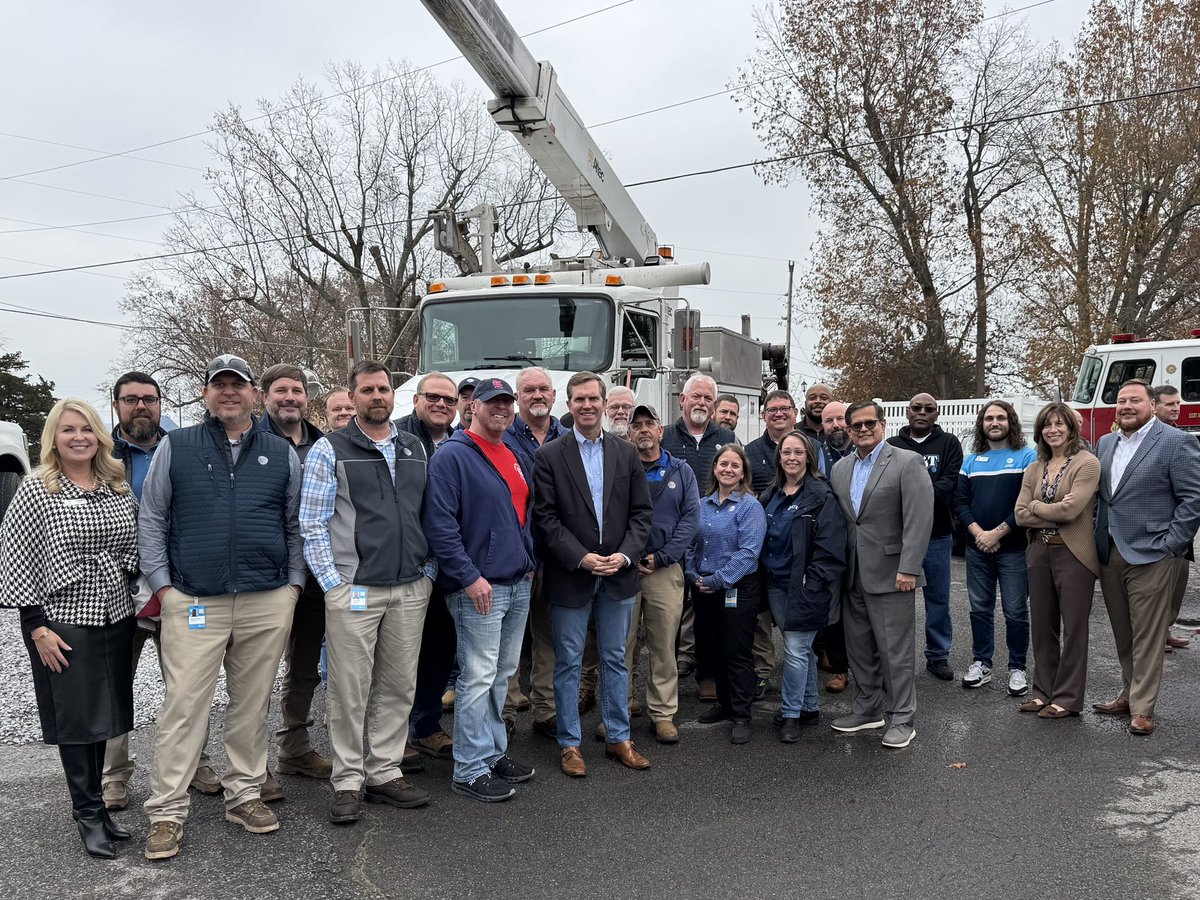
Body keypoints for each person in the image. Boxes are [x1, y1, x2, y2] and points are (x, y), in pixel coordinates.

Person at [140, 354, 305, 860]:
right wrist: (165, 588)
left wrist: (293, 586)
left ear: (254, 394)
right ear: (206, 394)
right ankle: (167, 811)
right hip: (194, 599)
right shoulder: (178, 444)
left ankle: (245, 794)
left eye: (238, 385)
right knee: (184, 705)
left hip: (265, 598)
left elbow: (295, 524)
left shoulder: (280, 451)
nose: (229, 392)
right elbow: (152, 517)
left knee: (251, 704)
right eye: (220, 385)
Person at [0, 399, 139, 858]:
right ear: (53, 438)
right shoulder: (37, 489)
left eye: (86, 429)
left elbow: (135, 541)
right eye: (67, 430)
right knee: (79, 721)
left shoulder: (115, 485)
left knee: (106, 716)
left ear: (99, 435)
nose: (78, 437)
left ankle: (100, 806)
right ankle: (86, 814)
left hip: (115, 615)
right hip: (63, 622)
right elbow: (15, 557)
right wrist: (34, 626)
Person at [300, 360, 435, 823]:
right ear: (353, 397)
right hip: (354, 589)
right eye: (367, 390)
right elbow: (312, 524)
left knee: (398, 685)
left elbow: (430, 516)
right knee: (349, 690)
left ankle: (384, 771)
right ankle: (347, 780)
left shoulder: (416, 447)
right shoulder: (329, 450)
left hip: (410, 585)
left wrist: (429, 571)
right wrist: (334, 585)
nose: (377, 396)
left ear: (393, 396)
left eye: (383, 389)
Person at [102, 372, 221, 811]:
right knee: (116, 684)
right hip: (117, 592)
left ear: (160, 404)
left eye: (149, 400)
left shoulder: (187, 446)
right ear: (116, 404)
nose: (141, 407)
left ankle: (196, 762)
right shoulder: (102, 455)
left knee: (190, 683)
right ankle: (113, 774)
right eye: (130, 400)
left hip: (180, 587)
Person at [532, 372, 654, 777]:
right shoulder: (549, 455)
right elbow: (545, 520)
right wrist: (582, 557)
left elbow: (641, 514)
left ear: (604, 403)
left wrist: (624, 556)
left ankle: (619, 738)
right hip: (573, 574)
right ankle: (570, 745)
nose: (586, 405)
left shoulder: (626, 453)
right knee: (568, 662)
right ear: (568, 405)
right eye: (578, 399)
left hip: (618, 574)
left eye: (593, 399)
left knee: (615, 658)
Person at [423, 378, 538, 802]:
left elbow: (522, 514)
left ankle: (492, 753)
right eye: (493, 402)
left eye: (507, 403)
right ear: (472, 408)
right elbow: (439, 524)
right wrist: (469, 577)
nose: (502, 409)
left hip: (516, 581)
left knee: (501, 675)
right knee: (477, 677)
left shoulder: (510, 453)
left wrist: (528, 561)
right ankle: (468, 769)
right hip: (479, 588)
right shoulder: (453, 456)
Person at [1092, 380, 1200, 736]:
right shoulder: (1106, 444)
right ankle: (1128, 692)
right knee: (1123, 632)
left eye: (1134, 400)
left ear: (1152, 405)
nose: (1126, 406)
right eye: (1121, 400)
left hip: (1153, 553)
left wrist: (1172, 545)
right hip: (1110, 553)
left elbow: (1193, 498)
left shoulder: (1176, 441)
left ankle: (1142, 707)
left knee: (1149, 635)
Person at [829, 402, 933, 750]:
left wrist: (909, 567)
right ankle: (868, 709)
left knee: (895, 652)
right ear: (847, 429)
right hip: (853, 574)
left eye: (869, 423)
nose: (862, 429)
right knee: (859, 650)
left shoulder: (906, 462)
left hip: (892, 574)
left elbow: (919, 519)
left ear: (883, 424)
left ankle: (903, 718)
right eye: (855, 425)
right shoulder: (841, 468)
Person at [256, 364, 334, 791]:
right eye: (281, 390)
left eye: (297, 391)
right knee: (257, 672)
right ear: (264, 396)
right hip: (267, 576)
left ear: (308, 398)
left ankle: (295, 749)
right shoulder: (250, 442)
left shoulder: (323, 444)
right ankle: (252, 764)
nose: (290, 398)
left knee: (304, 668)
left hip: (315, 575)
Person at [758, 432, 847, 742]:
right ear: (779, 457)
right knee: (802, 650)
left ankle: (791, 714)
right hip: (775, 585)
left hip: (805, 587)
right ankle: (809, 707)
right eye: (786, 452)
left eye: (798, 452)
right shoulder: (771, 494)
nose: (792, 457)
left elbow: (832, 548)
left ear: (809, 456)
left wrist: (814, 581)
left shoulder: (821, 496)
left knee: (795, 650)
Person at [1014, 403, 1100, 718]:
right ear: (1040, 431)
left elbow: (1071, 511)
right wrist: (1042, 509)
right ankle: (1042, 691)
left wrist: (1036, 506)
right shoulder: (1034, 468)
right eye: (1047, 425)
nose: (1053, 429)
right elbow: (1019, 515)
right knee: (1042, 626)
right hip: (1038, 551)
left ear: (1070, 428)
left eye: (1059, 423)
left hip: (1074, 553)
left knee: (1074, 628)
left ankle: (1067, 698)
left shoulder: (1087, 463)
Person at [621, 404, 700, 744]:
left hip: (665, 571)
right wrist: (628, 556)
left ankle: (663, 714)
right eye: (636, 425)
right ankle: (618, 712)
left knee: (664, 646)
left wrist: (663, 555)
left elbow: (691, 519)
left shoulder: (681, 471)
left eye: (649, 423)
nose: (643, 430)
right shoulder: (619, 468)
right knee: (620, 647)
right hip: (623, 570)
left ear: (660, 431)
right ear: (628, 434)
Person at [687, 445, 768, 744]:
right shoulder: (701, 504)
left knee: (736, 651)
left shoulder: (750, 507)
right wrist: (694, 575)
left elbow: (749, 553)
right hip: (703, 587)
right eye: (724, 464)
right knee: (712, 649)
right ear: (715, 468)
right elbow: (690, 544)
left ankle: (742, 714)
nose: (729, 469)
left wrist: (718, 580)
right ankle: (724, 703)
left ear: (743, 472)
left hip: (736, 588)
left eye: (735, 465)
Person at [955, 400, 1037, 696]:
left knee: (1015, 611)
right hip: (977, 549)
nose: (994, 422)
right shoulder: (971, 461)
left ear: (1010, 422)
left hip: (1013, 548)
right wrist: (980, 535)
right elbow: (961, 504)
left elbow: (1026, 505)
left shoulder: (1028, 457)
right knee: (980, 609)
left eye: (1000, 417)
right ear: (982, 424)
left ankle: (1017, 667)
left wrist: (998, 533)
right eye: (989, 418)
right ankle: (981, 663)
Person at [397, 372, 459, 762]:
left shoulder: (460, 441)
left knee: (439, 651)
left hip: (449, 567)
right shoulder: (399, 438)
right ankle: (392, 737)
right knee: (399, 658)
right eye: (433, 397)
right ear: (417, 399)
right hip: (409, 565)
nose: (441, 405)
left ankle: (426, 727)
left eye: (449, 400)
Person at [661, 373, 737, 692]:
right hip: (672, 539)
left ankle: (707, 674)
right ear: (682, 400)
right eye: (696, 397)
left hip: (712, 538)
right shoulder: (664, 437)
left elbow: (737, 481)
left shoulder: (727, 438)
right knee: (670, 611)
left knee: (709, 610)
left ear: (714, 404)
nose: (701, 403)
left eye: (708, 398)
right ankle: (669, 675)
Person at [887, 393, 963, 681]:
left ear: (936, 413)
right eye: (916, 408)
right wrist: (921, 490)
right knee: (895, 601)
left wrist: (914, 491)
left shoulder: (949, 444)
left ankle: (938, 655)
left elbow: (949, 485)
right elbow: (888, 487)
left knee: (938, 599)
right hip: (899, 535)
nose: (922, 413)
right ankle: (895, 657)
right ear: (907, 412)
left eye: (928, 409)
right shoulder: (892, 445)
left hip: (937, 535)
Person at [814, 399, 852, 693]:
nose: (836, 425)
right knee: (833, 608)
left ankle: (868, 667)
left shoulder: (866, 452)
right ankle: (839, 668)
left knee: (863, 607)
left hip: (862, 541)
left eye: (840, 419)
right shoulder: (816, 455)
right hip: (829, 540)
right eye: (830, 421)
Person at [1153, 384, 1192, 652]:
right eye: (1170, 404)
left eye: (1177, 404)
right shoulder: (1148, 439)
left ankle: (1166, 629)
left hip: (1180, 528)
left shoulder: (1180, 437)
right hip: (1158, 530)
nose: (1176, 408)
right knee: (1157, 589)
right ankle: (1154, 636)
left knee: (1178, 583)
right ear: (1153, 406)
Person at [746, 390, 797, 494]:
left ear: (795, 413)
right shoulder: (749, 452)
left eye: (784, 408)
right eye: (772, 410)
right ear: (764, 415)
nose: (778, 414)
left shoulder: (813, 448)